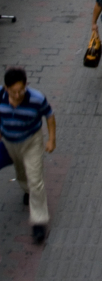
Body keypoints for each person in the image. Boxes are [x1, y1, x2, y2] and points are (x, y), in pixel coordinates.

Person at [0, 67, 56, 243]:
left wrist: (51, 139)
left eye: (21, 90)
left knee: (35, 180)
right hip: (9, 142)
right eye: (13, 92)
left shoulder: (37, 99)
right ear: (6, 88)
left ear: (26, 86)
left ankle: (39, 221)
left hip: (31, 141)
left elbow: (50, 116)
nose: (17, 95)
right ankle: (26, 190)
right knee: (21, 172)